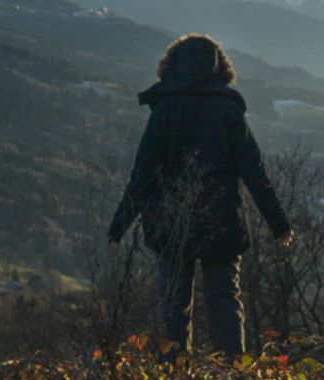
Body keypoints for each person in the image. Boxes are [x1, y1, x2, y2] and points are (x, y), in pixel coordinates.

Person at [107, 33, 293, 358]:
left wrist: (119, 224)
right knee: (224, 301)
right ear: (219, 67)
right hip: (222, 222)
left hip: (170, 224)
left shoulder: (164, 110)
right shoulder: (228, 110)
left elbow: (144, 173)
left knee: (173, 306)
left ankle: (173, 377)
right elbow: (254, 171)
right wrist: (279, 225)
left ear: (171, 66)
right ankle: (233, 377)